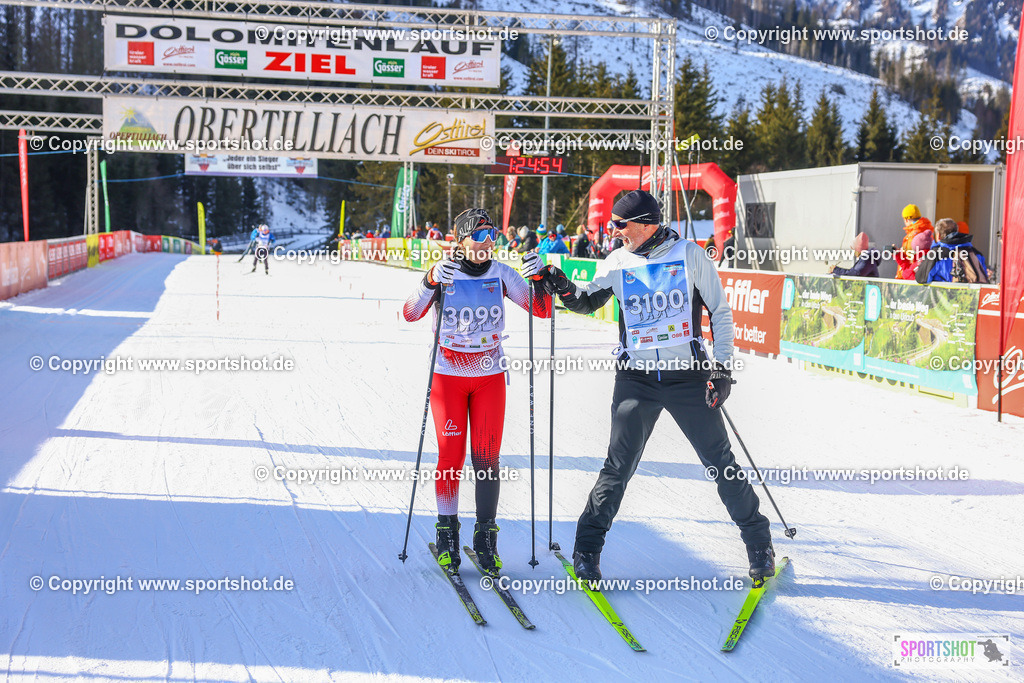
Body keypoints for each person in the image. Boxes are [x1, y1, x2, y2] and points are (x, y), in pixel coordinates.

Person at [522, 190, 774, 584]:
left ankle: (759, 544)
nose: (616, 231)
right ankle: (586, 551)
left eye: (621, 224)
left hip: (687, 376)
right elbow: (586, 302)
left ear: (644, 223)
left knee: (720, 462)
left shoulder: (690, 255)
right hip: (636, 379)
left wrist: (721, 370)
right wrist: (557, 282)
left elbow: (720, 313)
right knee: (618, 466)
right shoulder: (618, 262)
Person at [402, 209, 553, 575]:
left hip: (488, 377)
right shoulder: (445, 273)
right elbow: (409, 313)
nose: (488, 244)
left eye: (493, 236)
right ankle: (447, 533)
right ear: (462, 239)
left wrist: (541, 279)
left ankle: (486, 536)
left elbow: (542, 310)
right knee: (450, 457)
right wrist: (429, 280)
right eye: (481, 236)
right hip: (448, 377)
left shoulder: (501, 274)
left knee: (486, 460)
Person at [916, 218, 989, 284]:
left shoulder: (936, 254)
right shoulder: (976, 253)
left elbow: (921, 278)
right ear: (956, 232)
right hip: (970, 296)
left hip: (944, 296)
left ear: (938, 235)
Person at [894, 204, 933, 280]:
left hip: (910, 276)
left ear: (906, 220)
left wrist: (898, 253)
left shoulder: (912, 236)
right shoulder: (926, 230)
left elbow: (909, 260)